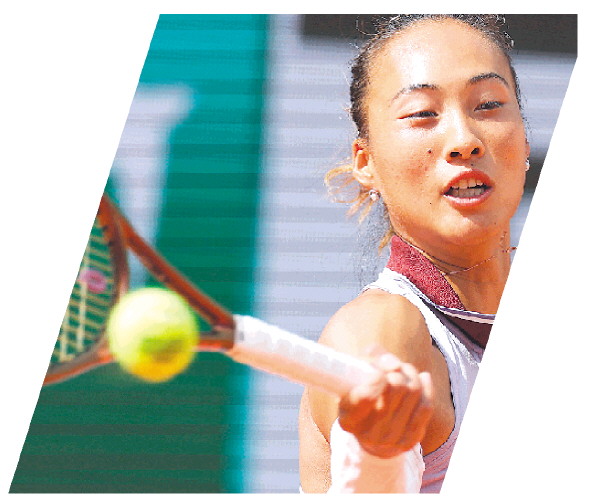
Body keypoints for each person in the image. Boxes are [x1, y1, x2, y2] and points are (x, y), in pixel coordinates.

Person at [298, 14, 530, 493]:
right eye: (423, 114)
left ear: (525, 138)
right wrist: (378, 456)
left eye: (488, 104)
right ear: (366, 163)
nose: (464, 141)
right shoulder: (380, 331)